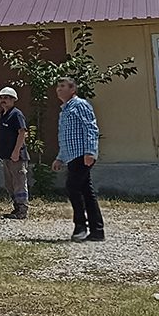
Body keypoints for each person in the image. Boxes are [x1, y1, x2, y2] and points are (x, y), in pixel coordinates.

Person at [51, 76, 104, 242]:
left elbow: (91, 128)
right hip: (72, 156)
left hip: (82, 155)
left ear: (72, 89)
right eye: (58, 86)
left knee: (72, 188)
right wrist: (60, 158)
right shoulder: (65, 110)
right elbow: (66, 137)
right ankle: (97, 231)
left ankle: (80, 226)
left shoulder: (80, 104)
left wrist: (90, 152)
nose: (59, 89)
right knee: (87, 192)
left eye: (63, 86)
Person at [0, 87, 29, 219]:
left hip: (16, 156)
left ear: (14, 100)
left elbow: (22, 132)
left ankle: (22, 210)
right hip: (6, 156)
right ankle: (16, 208)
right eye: (2, 98)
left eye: (7, 98)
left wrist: (16, 152)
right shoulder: (3, 114)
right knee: (10, 184)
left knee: (19, 182)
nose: (3, 100)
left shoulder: (16, 114)